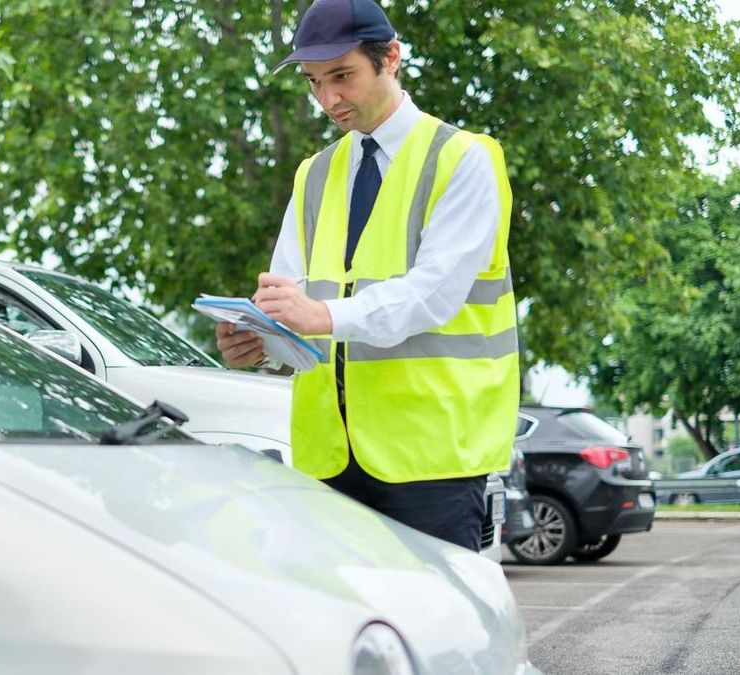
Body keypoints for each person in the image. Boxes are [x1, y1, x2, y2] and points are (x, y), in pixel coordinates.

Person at [215, 0, 518, 552]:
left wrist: (320, 315)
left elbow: (433, 295)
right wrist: (260, 343)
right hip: (329, 458)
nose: (328, 99)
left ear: (391, 59)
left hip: (432, 460)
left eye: (342, 76)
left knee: (435, 630)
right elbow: (295, 309)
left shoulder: (464, 159)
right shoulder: (315, 174)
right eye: (313, 82)